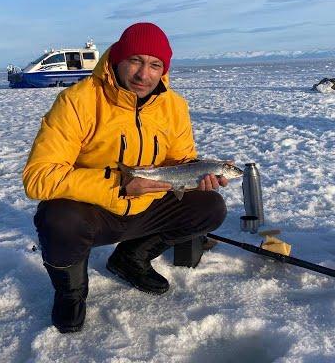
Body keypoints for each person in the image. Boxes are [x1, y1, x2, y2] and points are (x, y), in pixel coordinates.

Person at [23, 22, 228, 333]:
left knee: (210, 206)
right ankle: (71, 293)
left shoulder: (174, 106)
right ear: (117, 59)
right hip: (96, 211)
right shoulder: (78, 101)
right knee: (57, 219)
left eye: (154, 65)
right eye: (136, 60)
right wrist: (118, 183)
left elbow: (180, 160)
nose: (143, 74)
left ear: (164, 70)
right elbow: (39, 177)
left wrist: (201, 172)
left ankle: (131, 258)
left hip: (149, 206)